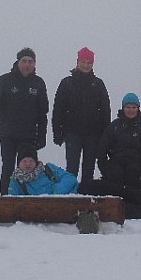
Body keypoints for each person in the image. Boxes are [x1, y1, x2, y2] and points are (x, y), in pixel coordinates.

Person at [9, 144, 141, 222]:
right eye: (24, 161)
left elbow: (69, 177)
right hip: (70, 205)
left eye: (30, 160)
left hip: (79, 189)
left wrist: (56, 192)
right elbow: (14, 204)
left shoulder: (47, 168)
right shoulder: (18, 182)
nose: (28, 164)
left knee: (120, 191)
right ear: (19, 163)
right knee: (120, 208)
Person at [0, 47, 49, 195]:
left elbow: (43, 112)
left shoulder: (38, 83)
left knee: (29, 169)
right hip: (8, 134)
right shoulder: (5, 80)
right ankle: (5, 199)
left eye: (30, 61)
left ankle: (28, 200)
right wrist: (6, 119)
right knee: (8, 168)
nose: (27, 64)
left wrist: (42, 136)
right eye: (24, 61)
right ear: (18, 62)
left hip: (29, 135)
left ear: (34, 64)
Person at [52, 47, 111, 181]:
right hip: (72, 133)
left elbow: (105, 111)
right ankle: (71, 197)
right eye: (83, 61)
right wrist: (57, 132)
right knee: (71, 169)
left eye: (89, 62)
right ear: (77, 62)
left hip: (93, 134)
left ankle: (86, 195)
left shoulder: (98, 84)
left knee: (89, 169)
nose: (86, 65)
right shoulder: (67, 83)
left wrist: (105, 136)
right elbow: (58, 109)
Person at [96, 93, 141, 189]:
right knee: (115, 174)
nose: (131, 110)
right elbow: (103, 146)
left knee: (132, 173)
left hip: (137, 163)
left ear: (138, 108)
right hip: (117, 162)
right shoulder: (115, 126)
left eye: (134, 107)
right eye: (128, 107)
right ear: (123, 108)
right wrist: (104, 167)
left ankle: (133, 201)